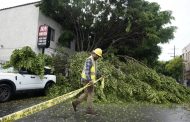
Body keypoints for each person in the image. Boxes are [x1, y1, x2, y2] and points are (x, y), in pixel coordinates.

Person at [72, 48, 102, 115]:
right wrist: (90, 80)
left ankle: (75, 103)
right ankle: (89, 110)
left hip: (89, 80)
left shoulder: (94, 61)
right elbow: (87, 71)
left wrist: (101, 75)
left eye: (99, 56)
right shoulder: (89, 60)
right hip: (87, 80)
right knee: (91, 94)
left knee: (86, 94)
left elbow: (95, 71)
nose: (98, 57)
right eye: (98, 56)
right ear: (94, 54)